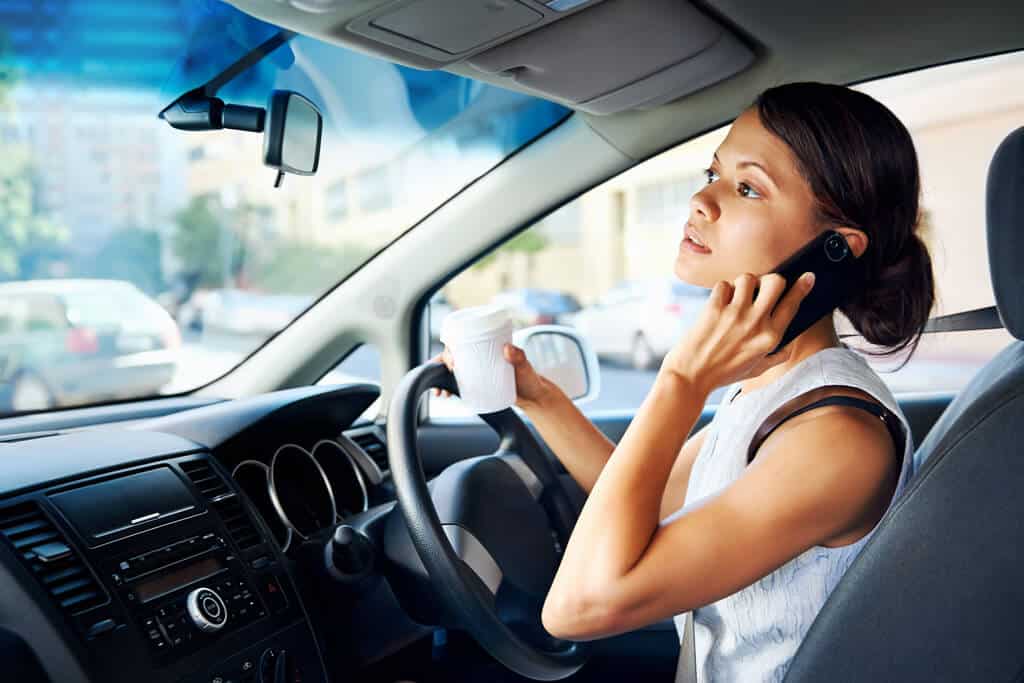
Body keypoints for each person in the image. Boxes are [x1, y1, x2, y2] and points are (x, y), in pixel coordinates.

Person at [433, 81, 933, 682]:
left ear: (834, 250)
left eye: (747, 188)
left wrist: (684, 379)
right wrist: (538, 395)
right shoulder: (780, 387)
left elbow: (576, 607)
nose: (701, 199)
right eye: (713, 172)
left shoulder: (834, 438)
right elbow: (649, 492)